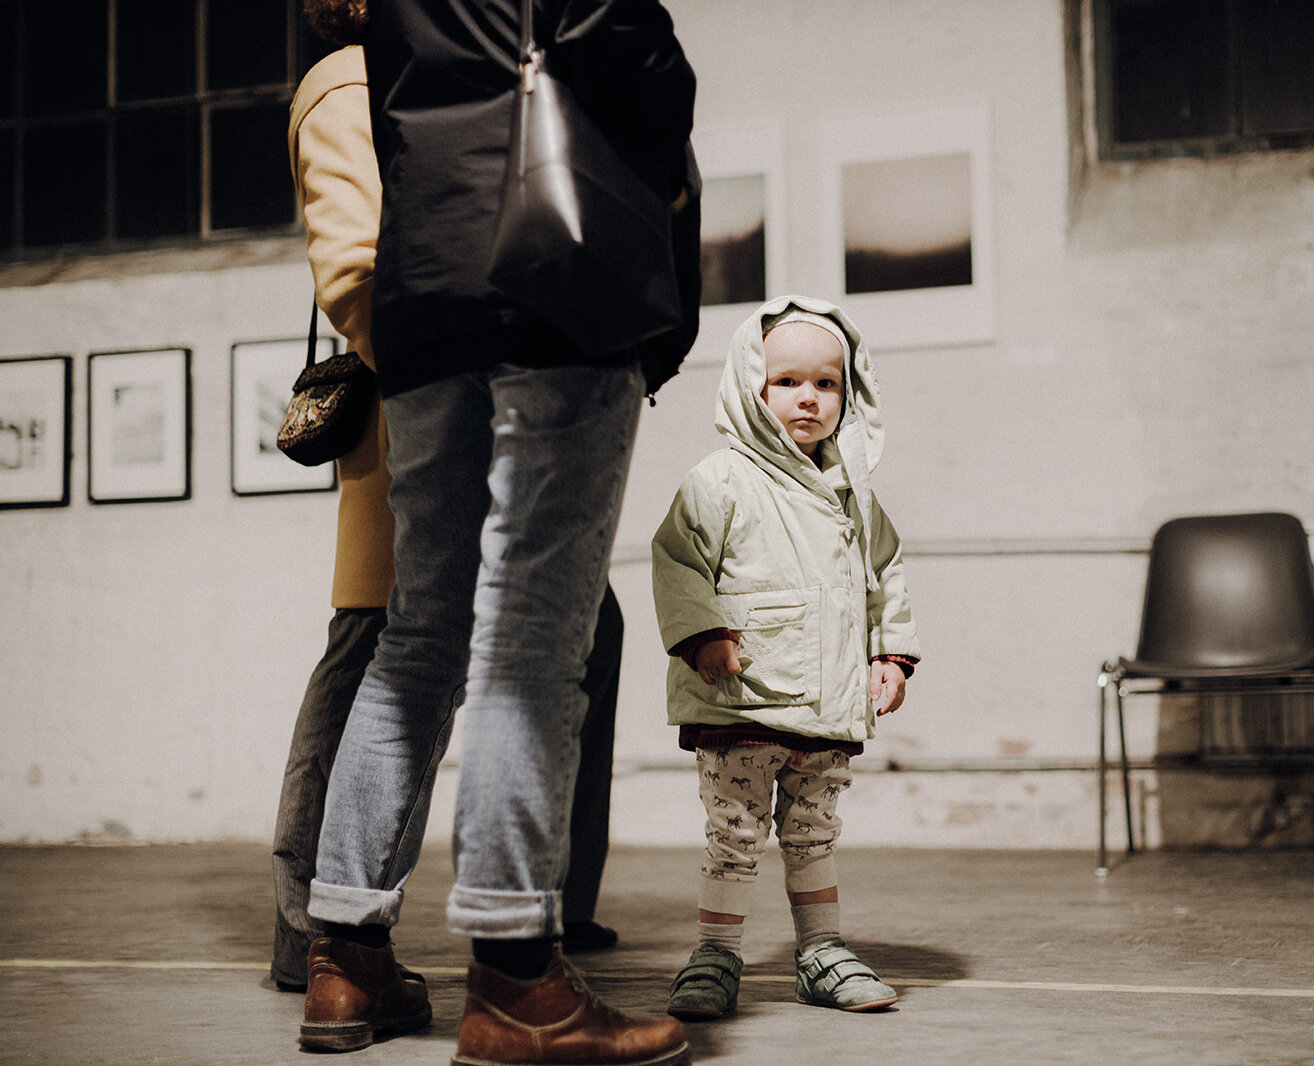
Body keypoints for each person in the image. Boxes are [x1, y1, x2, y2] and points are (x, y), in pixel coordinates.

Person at [299, 1, 700, 1063]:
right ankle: (517, 977)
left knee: (419, 634)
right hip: (552, 266)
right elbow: (629, 48)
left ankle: (345, 958)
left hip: (424, 295)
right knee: (534, 635)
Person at [651, 295, 921, 1021]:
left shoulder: (853, 497)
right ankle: (715, 952)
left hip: (827, 702)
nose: (809, 397)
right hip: (741, 700)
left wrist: (889, 652)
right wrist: (703, 632)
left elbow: (884, 572)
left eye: (827, 383)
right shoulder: (720, 480)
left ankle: (822, 951)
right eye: (788, 381)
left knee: (813, 833)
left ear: (849, 394)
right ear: (752, 387)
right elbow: (678, 561)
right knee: (735, 833)